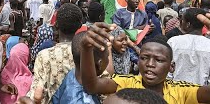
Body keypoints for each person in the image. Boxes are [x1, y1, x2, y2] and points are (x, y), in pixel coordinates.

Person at [80, 24, 210, 104]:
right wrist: (86, 48)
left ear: (171, 66)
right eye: (144, 58)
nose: (150, 64)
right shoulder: (126, 82)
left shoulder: (181, 91)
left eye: (158, 60)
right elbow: (92, 86)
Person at [27, 3, 83, 103]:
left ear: (56, 25)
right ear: (79, 25)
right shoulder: (86, 53)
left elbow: (36, 93)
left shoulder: (44, 56)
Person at [52, 32, 103, 104]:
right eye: (107, 56)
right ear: (99, 64)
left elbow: (56, 98)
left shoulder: (73, 73)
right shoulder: (83, 100)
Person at [168, 8, 210, 85]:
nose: (181, 23)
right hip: (201, 93)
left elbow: (167, 70)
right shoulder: (208, 44)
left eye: (182, 20)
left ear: (188, 24)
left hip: (176, 90)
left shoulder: (173, 42)